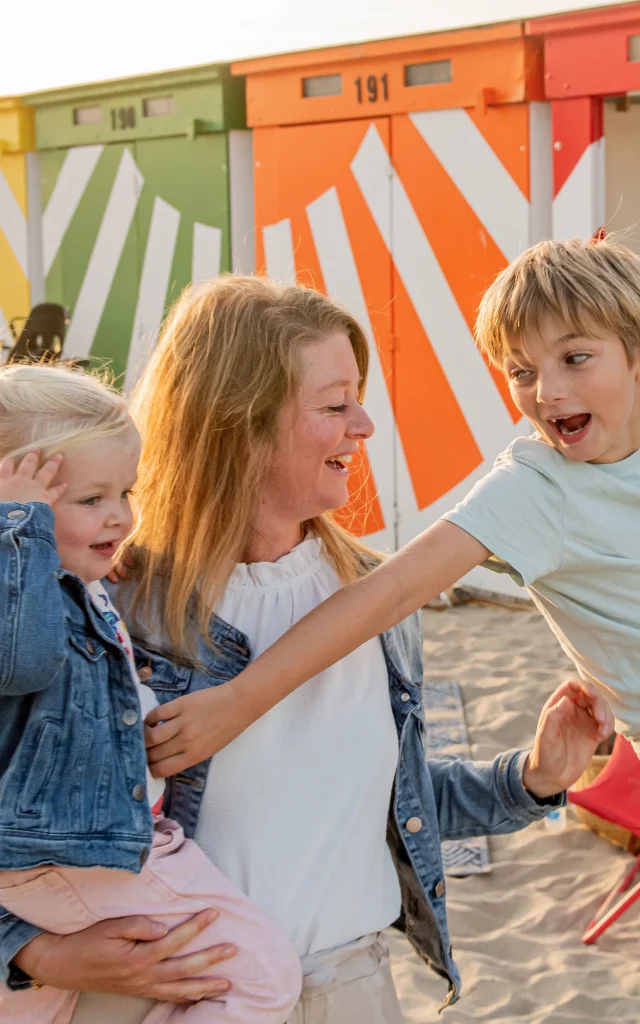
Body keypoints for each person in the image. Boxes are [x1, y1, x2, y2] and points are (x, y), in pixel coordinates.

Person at [0, 278, 612, 1023]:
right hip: (160, 996)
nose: (364, 424)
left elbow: (384, 803)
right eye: (333, 404)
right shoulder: (109, 603)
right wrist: (28, 950)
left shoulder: (375, 601)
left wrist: (535, 779)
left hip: (352, 990)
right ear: (239, 423)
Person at [0, 364, 302, 1023]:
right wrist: (22, 530)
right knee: (263, 976)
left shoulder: (70, 583)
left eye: (125, 492)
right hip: (82, 859)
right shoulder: (26, 597)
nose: (122, 517)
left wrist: (87, 558)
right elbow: (23, 661)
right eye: (91, 500)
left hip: (78, 854)